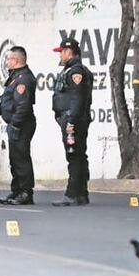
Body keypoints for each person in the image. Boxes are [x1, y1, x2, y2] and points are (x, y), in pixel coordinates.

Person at [52, 37, 94, 207]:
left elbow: (77, 98)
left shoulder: (76, 72)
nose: (59, 56)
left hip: (73, 120)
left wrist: (71, 121)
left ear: (68, 52)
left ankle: (72, 194)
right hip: (72, 118)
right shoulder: (71, 70)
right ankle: (81, 194)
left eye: (61, 52)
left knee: (74, 155)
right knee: (78, 155)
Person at [0, 46, 37, 206]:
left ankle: (26, 192)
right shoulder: (15, 77)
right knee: (15, 159)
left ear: (17, 60)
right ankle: (17, 190)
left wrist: (15, 124)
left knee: (21, 159)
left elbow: (23, 106)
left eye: (9, 59)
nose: (6, 62)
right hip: (14, 123)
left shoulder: (23, 79)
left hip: (21, 124)